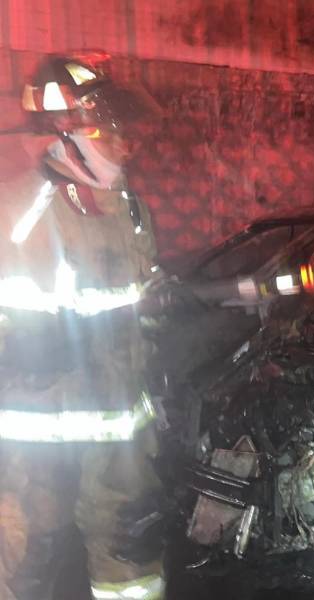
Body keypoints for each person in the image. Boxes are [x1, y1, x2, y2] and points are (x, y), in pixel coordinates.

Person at [0, 51, 165, 600]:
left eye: (128, 133)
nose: (127, 146)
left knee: (133, 552)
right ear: (64, 134)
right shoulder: (16, 209)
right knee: (27, 557)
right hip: (35, 435)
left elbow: (144, 302)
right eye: (112, 132)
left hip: (119, 432)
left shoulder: (132, 210)